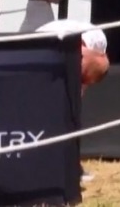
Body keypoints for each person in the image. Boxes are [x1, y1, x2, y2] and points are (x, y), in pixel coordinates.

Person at [36, 18, 109, 184]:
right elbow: (82, 58)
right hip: (44, 51)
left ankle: (70, 166)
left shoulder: (94, 43)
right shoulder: (90, 44)